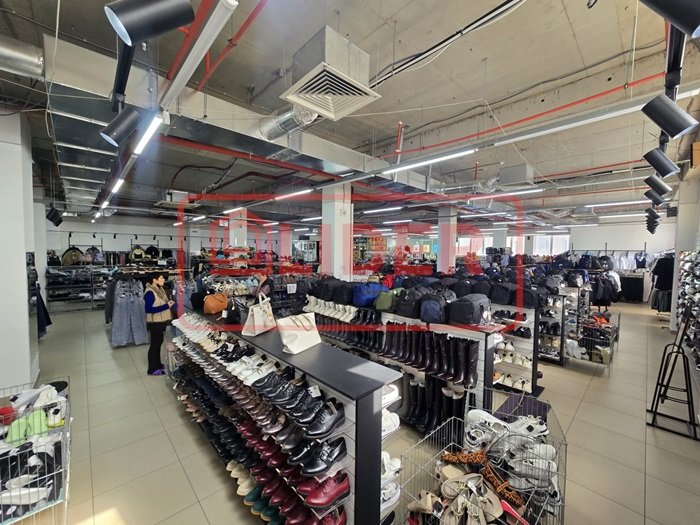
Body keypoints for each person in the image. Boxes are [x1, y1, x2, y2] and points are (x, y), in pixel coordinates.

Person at [144, 272, 174, 376]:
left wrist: (168, 304)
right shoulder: (150, 292)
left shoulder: (159, 290)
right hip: (154, 323)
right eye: (161, 278)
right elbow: (148, 309)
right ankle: (152, 369)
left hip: (160, 322)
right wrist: (166, 306)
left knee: (158, 343)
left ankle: (157, 364)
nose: (164, 279)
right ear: (154, 280)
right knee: (154, 345)